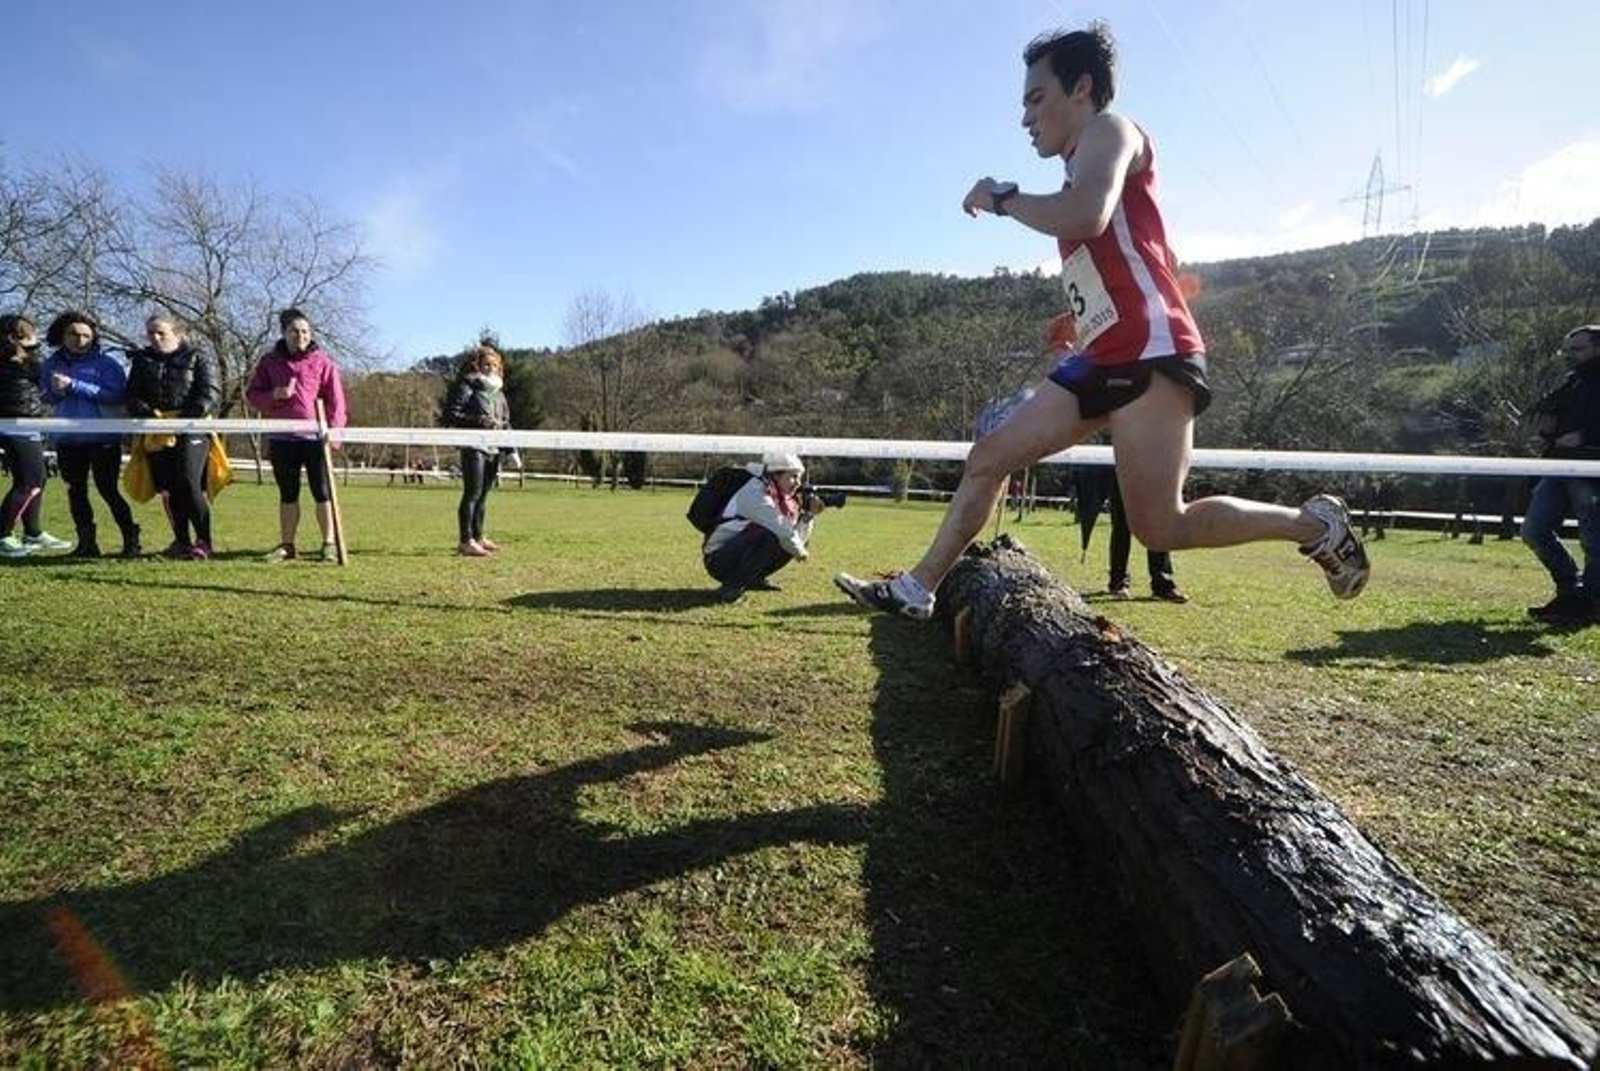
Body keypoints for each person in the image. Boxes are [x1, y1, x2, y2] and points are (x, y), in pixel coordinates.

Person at [835, 22, 1368, 619]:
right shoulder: (1081, 165)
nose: (1025, 118)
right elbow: (1139, 252)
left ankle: (1312, 525)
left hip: (1151, 352)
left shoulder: (1111, 130)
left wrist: (1004, 198)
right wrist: (1082, 315)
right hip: (1103, 351)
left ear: (1082, 88)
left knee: (1161, 526)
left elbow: (1086, 216)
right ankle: (917, 589)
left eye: (1036, 99)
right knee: (989, 456)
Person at [245, 308, 346, 562]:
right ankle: (287, 545)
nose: (300, 335)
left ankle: (329, 544)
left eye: (305, 331)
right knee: (288, 493)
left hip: (315, 440)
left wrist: (333, 435)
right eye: (294, 331)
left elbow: (337, 401)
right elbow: (253, 395)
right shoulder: (269, 362)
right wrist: (273, 396)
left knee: (322, 492)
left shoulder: (323, 362)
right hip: (282, 439)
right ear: (284, 333)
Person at [39, 311, 141, 558]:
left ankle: (131, 540)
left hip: (103, 437)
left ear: (93, 337)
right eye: (73, 334)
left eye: (86, 335)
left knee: (108, 490)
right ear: (61, 335)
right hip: (67, 439)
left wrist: (75, 385)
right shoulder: (50, 364)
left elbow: (116, 395)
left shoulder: (107, 364)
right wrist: (55, 391)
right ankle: (86, 544)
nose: (80, 339)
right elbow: (46, 397)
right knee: (75, 491)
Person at [126, 313, 223, 560]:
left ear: (177, 334)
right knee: (168, 488)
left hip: (193, 426)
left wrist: (187, 417)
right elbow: (131, 394)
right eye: (151, 333)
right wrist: (146, 411)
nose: (155, 338)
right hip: (157, 428)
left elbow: (210, 392)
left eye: (161, 333)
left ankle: (204, 541)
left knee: (189, 482)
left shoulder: (198, 356)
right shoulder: (141, 360)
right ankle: (181, 541)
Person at [1521, 325, 1600, 624]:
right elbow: (1548, 416)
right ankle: (1570, 590)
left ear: (1598, 348)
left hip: (1592, 469)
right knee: (1533, 530)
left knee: (1594, 539)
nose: (1570, 355)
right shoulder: (1573, 382)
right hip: (1557, 465)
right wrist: (1546, 428)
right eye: (1567, 350)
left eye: (1577, 349)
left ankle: (1590, 601)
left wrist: (1586, 436)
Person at [703, 452, 823, 603]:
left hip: (735, 553)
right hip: (717, 560)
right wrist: (800, 552)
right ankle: (731, 587)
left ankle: (754, 579)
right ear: (776, 475)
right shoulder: (755, 492)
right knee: (771, 536)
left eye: (799, 477)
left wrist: (808, 516)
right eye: (793, 476)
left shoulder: (782, 498)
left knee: (791, 540)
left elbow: (796, 536)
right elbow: (782, 530)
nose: (798, 483)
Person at [0, 314, 72, 557]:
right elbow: (19, 392)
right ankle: (3, 535)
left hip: (30, 423)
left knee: (38, 480)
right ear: (14, 336)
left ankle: (33, 532)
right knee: (28, 481)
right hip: (14, 424)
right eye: (28, 332)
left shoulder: (28, 358)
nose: (34, 337)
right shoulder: (9, 359)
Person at [440, 343, 512, 556]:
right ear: (478, 365)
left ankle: (479, 536)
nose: (491, 368)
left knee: (484, 495)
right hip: (473, 446)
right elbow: (451, 414)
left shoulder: (499, 394)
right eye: (487, 364)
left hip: (494, 448)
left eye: (495, 365)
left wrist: (510, 449)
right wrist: (480, 420)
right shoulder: (467, 386)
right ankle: (465, 541)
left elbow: (507, 422)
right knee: (472, 493)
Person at [1106, 472, 1187, 602]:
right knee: (1121, 528)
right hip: (1123, 471)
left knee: (1158, 527)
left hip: (1156, 471)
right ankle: (1117, 583)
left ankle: (1163, 586)